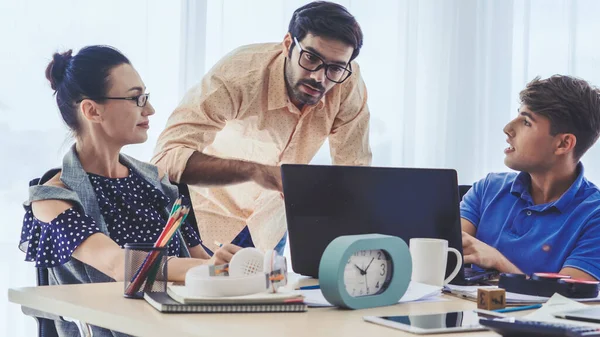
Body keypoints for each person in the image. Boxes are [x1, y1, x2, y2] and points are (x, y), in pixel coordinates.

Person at [19, 46, 240, 337]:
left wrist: (227, 266)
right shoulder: (53, 199)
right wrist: (207, 269)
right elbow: (119, 265)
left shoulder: (159, 181)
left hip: (183, 326)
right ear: (91, 110)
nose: (149, 110)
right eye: (136, 98)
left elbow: (198, 257)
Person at [152, 1, 372, 255]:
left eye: (335, 67)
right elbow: (165, 159)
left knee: (270, 295)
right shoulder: (239, 75)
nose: (319, 77)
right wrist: (256, 172)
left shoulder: (347, 82)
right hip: (206, 218)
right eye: (311, 58)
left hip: (270, 226)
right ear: (289, 44)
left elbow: (354, 174)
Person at [461, 75, 600, 281]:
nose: (508, 129)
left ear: (563, 144)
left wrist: (499, 263)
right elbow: (444, 253)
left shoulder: (594, 216)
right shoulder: (487, 189)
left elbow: (566, 302)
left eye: (526, 122)